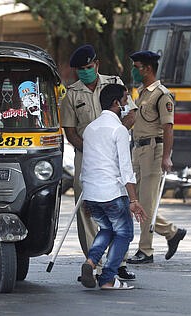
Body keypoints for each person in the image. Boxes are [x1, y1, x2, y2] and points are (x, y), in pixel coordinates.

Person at [60, 44, 138, 280]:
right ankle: (92, 263)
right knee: (88, 210)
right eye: (80, 69)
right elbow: (70, 131)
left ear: (97, 65)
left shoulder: (114, 83)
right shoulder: (71, 94)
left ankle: (119, 263)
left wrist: (114, 138)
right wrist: (93, 148)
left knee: (118, 205)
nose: (85, 72)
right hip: (86, 157)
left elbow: (132, 113)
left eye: (88, 67)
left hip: (114, 153)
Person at [79, 83, 147, 290]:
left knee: (106, 228)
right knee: (125, 233)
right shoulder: (119, 129)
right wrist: (134, 200)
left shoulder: (90, 129)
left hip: (90, 192)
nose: (128, 103)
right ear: (117, 103)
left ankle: (91, 262)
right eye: (126, 99)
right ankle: (108, 278)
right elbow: (126, 169)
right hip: (111, 193)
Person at [126, 51, 187, 265]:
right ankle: (172, 232)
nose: (134, 70)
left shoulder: (162, 95)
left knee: (147, 202)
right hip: (138, 149)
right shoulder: (142, 92)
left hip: (154, 150)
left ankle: (146, 250)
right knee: (136, 200)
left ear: (148, 69)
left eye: (137, 66)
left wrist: (167, 156)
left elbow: (168, 128)